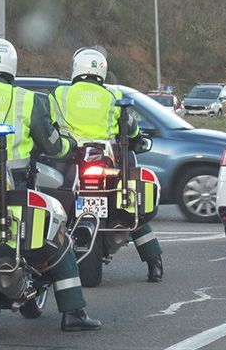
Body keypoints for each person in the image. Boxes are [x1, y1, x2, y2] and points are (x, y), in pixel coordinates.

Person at [0, 37, 101, 332]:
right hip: (15, 186)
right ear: (11, 66)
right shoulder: (28, 99)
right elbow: (51, 145)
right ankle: (74, 312)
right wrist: (67, 147)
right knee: (59, 238)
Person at [49, 47, 164, 283]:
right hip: (106, 162)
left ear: (75, 69)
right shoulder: (112, 97)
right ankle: (155, 264)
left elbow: (48, 128)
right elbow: (131, 128)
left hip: (72, 163)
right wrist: (138, 139)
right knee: (132, 211)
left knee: (58, 210)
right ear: (102, 71)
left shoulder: (59, 94)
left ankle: (53, 266)